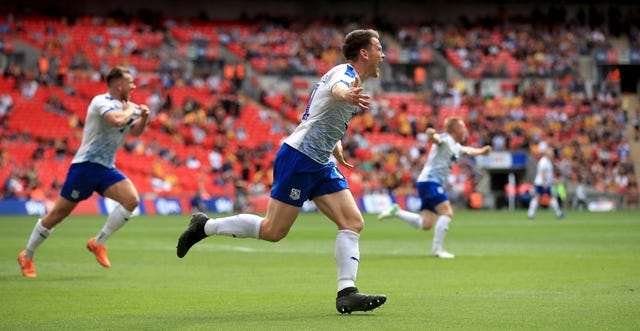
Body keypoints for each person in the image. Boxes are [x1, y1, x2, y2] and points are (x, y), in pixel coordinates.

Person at [176, 29, 387, 314]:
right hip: (299, 158)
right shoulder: (345, 75)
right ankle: (204, 226)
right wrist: (346, 94)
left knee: (352, 222)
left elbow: (320, 113)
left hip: (321, 161)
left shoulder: (350, 79)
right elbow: (338, 90)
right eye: (378, 48)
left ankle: (346, 291)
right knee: (273, 231)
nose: (382, 54)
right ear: (364, 53)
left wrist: (335, 144)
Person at [17, 66, 151, 278]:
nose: (134, 86)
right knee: (57, 215)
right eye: (130, 82)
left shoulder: (130, 107)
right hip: (85, 167)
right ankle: (27, 256)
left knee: (132, 200)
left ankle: (98, 243)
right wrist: (132, 111)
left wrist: (143, 117)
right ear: (118, 85)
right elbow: (116, 121)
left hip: (107, 168)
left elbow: (134, 132)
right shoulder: (101, 101)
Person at [378, 117, 492, 258]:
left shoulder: (456, 146)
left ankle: (397, 212)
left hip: (427, 183)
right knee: (447, 212)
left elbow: (468, 150)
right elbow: (437, 139)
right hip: (430, 182)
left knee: (426, 224)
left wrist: (482, 152)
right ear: (455, 129)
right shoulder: (446, 139)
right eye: (462, 126)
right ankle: (437, 250)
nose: (465, 129)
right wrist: (431, 135)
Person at [527, 148, 565, 219]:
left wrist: (552, 180)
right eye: (550, 152)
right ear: (546, 153)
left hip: (544, 182)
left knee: (540, 197)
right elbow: (543, 172)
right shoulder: (543, 161)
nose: (552, 153)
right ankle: (558, 213)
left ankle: (531, 213)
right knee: (541, 197)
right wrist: (544, 182)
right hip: (542, 183)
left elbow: (548, 174)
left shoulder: (547, 161)